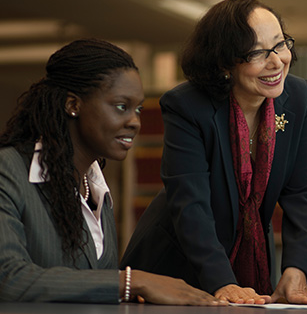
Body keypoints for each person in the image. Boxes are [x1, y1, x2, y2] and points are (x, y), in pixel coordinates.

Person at [120, 0, 307, 305]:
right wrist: (222, 282)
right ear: (224, 63)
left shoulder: (299, 96)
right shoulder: (187, 105)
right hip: (178, 266)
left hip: (250, 260)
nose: (276, 62)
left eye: (280, 44)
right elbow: (190, 202)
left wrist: (296, 268)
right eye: (257, 53)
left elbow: (303, 191)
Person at [0, 39, 222, 305]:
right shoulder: (8, 171)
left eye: (138, 109)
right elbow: (8, 278)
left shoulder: (94, 185)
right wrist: (131, 281)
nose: (135, 122)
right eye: (121, 107)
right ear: (73, 104)